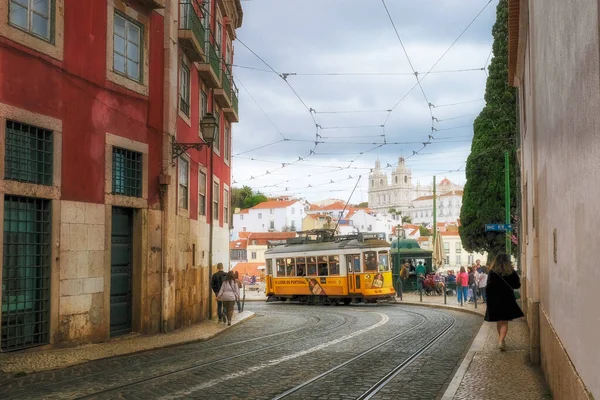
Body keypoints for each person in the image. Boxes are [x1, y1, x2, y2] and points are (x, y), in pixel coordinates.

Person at [485, 253, 524, 350]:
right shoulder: (511, 272)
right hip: (507, 299)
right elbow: (517, 285)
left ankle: (501, 340)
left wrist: (488, 300)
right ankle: (501, 340)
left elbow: (488, 287)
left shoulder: (492, 272)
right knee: (504, 322)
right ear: (507, 261)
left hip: (494, 300)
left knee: (499, 321)